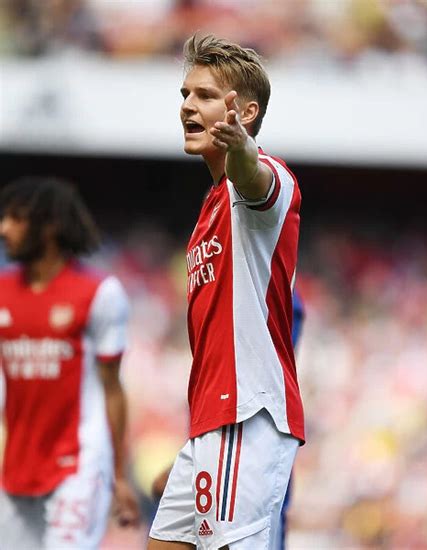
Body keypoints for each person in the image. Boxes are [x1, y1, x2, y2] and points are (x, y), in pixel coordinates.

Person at [148, 34, 305, 550]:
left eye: (206, 95)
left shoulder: (265, 181)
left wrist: (242, 148)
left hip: (247, 416)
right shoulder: (210, 208)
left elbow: (253, 176)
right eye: (185, 94)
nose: (189, 107)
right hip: (211, 424)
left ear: (246, 111)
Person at [0, 177, 140, 549]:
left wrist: (120, 475)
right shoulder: (2, 291)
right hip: (17, 466)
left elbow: (113, 389)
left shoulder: (99, 294)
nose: (4, 229)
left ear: (49, 226)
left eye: (15, 218)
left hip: (79, 462)